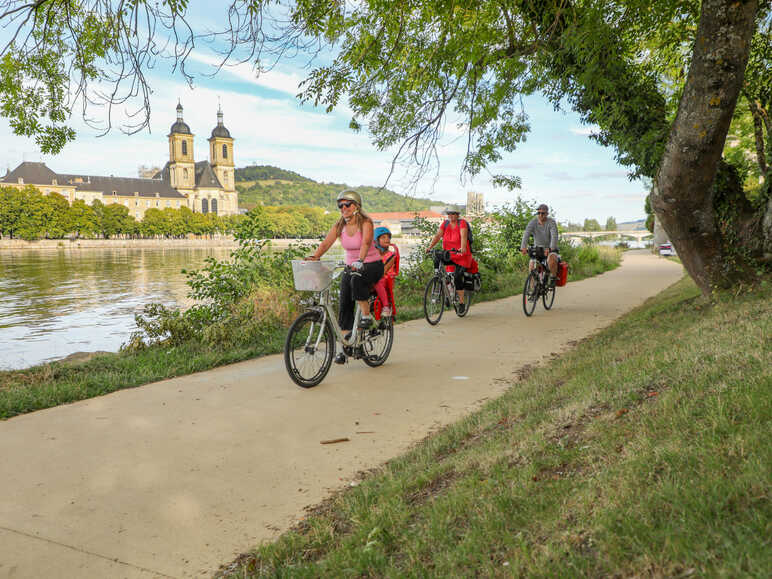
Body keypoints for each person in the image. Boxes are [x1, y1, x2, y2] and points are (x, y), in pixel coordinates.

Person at [308, 190, 384, 364]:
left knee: (356, 279)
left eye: (347, 204)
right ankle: (346, 346)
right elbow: (327, 242)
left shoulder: (366, 222)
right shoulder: (340, 225)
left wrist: (361, 260)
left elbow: (365, 242)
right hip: (352, 266)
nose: (343, 208)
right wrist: (315, 256)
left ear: (356, 206)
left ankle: (366, 316)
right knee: (344, 304)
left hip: (371, 264)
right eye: (340, 205)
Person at [426, 208, 475, 314]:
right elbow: (438, 235)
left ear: (458, 215)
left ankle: (461, 303)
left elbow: (463, 236)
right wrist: (430, 247)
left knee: (457, 277)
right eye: (449, 214)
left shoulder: (462, 223)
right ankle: (443, 286)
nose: (451, 215)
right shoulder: (445, 224)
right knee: (438, 259)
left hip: (462, 255)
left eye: (454, 214)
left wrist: (462, 248)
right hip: (449, 255)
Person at [520, 203, 560, 286]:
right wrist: (523, 247)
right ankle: (532, 289)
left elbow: (554, 236)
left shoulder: (551, 222)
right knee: (532, 265)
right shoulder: (533, 222)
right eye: (538, 213)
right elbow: (526, 234)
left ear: (547, 214)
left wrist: (550, 248)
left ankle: (553, 277)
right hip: (538, 249)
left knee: (552, 260)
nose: (540, 215)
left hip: (550, 249)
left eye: (543, 213)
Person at [372, 226, 399, 318]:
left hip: (386, 278)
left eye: (388, 237)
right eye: (383, 237)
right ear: (376, 240)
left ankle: (386, 307)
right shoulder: (372, 254)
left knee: (377, 281)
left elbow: (384, 271)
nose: (387, 239)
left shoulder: (391, 255)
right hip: (374, 276)